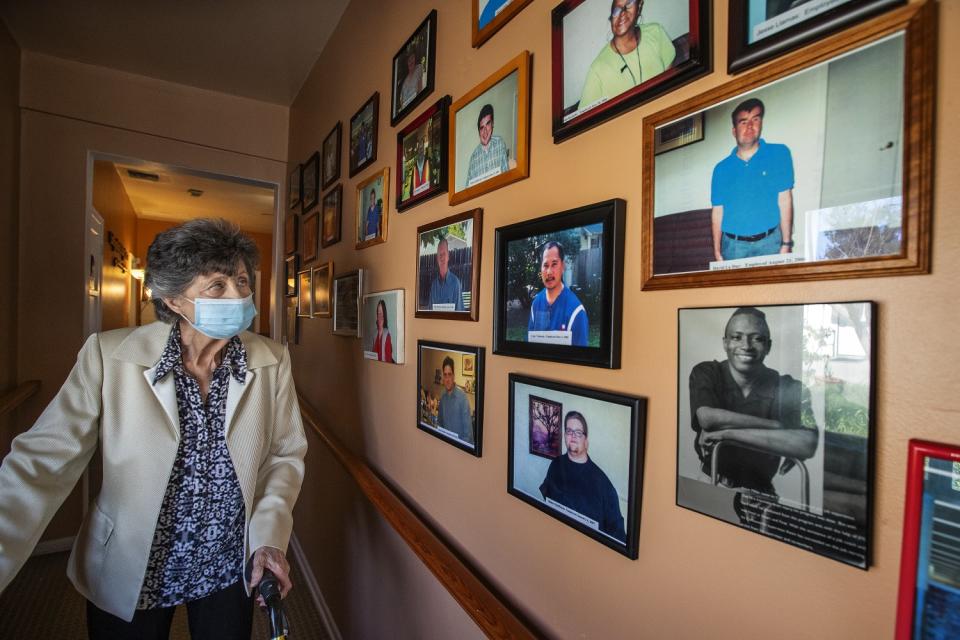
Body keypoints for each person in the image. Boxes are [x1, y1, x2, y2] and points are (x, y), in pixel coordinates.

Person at [0, 218, 307, 639]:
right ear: (172, 298)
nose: (238, 295)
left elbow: (283, 455)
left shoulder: (271, 360)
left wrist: (269, 537)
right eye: (216, 286)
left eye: (241, 280)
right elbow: (40, 463)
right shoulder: (110, 357)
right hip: (133, 564)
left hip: (226, 563)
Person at [689, 306, 818, 524]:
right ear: (725, 343)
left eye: (756, 339)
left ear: (768, 346)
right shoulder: (707, 372)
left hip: (762, 495)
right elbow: (707, 418)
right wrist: (777, 427)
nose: (746, 346)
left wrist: (727, 433)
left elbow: (806, 444)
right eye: (736, 337)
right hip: (713, 483)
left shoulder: (788, 386)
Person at [710, 98, 796, 262]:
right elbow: (717, 211)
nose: (750, 126)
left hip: (771, 243)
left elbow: (785, 199)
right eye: (743, 122)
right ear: (734, 131)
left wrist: (786, 243)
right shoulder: (721, 169)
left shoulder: (779, 154)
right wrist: (717, 251)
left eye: (755, 119)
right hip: (733, 247)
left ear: (761, 124)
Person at [539, 411, 625, 542]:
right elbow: (547, 500)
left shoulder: (603, 484)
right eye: (569, 431)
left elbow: (618, 536)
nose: (573, 436)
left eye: (578, 432)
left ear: (586, 441)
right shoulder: (555, 465)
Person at [578, 0, 676, 111]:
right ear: (611, 19)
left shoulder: (655, 32)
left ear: (639, 6)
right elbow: (583, 120)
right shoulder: (598, 69)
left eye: (629, 4)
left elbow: (671, 86)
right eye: (616, 10)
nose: (622, 13)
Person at [528, 241, 588, 346]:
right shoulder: (536, 304)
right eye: (545, 265)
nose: (549, 272)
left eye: (554, 264)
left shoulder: (576, 311)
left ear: (563, 266)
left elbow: (581, 359)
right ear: (541, 269)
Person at [465, 104, 509, 187]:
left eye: (488, 124)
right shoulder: (473, 158)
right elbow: (468, 189)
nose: (485, 131)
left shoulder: (500, 143)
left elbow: (506, 175)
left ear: (492, 125)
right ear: (478, 131)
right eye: (481, 128)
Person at [437, 356, 473, 443]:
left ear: (454, 376)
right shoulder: (442, 397)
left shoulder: (462, 398)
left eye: (449, 374)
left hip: (460, 450)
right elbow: (440, 424)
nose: (447, 379)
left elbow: (468, 435)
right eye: (445, 375)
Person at [427, 237, 464, 311]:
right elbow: (430, 312)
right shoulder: (434, 285)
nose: (442, 257)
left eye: (444, 253)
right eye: (439, 254)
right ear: (437, 258)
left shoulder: (455, 283)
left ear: (448, 256)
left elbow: (460, 313)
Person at [407, 128, 432, 197]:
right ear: (417, 151)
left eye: (422, 148)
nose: (421, 151)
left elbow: (432, 181)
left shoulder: (429, 162)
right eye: (419, 149)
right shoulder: (414, 168)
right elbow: (411, 189)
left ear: (424, 149)